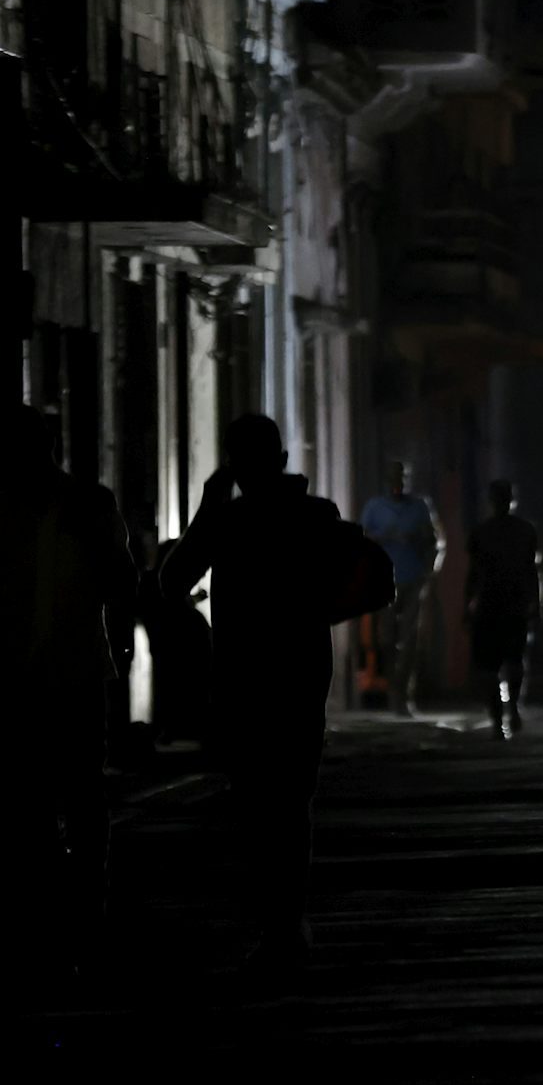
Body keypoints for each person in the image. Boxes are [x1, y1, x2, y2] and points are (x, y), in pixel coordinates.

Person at [161, 414, 345, 974]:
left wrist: (208, 507)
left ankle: (274, 926)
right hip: (302, 674)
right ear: (283, 460)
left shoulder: (226, 522)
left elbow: (172, 580)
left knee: (256, 805)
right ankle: (290, 923)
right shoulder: (319, 515)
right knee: (294, 801)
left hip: (242, 680)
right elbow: (341, 587)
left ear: (233, 468)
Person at [0, 405, 136, 980]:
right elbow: (121, 582)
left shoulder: (44, 510)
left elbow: (119, 581)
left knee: (52, 801)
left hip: (52, 677)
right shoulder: (25, 511)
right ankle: (72, 922)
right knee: (61, 801)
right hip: (54, 676)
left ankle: (68, 923)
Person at [360, 460, 444, 715]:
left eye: (403, 478)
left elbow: (435, 541)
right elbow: (361, 539)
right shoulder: (375, 508)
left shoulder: (420, 507)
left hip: (413, 579)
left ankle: (405, 695)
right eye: (395, 478)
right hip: (384, 581)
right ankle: (393, 693)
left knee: (409, 640)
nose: (399, 483)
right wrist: (383, 536)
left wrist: (428, 571)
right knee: (386, 639)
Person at [467, 479, 542, 739]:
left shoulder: (481, 532)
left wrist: (468, 604)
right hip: (513, 603)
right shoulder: (525, 530)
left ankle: (499, 718)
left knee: (492, 665)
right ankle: (511, 710)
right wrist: (536, 602)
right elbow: (533, 571)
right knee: (513, 661)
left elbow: (473, 574)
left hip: (492, 604)